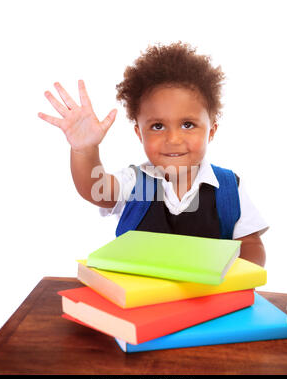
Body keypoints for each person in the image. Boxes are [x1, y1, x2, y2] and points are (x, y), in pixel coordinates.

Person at [38, 42, 268, 267]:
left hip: (209, 302)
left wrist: (237, 279)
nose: (173, 139)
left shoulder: (228, 187)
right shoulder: (136, 183)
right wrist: (85, 149)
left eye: (187, 124)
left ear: (211, 131)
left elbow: (250, 243)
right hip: (140, 303)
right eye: (158, 126)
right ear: (140, 133)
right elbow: (94, 190)